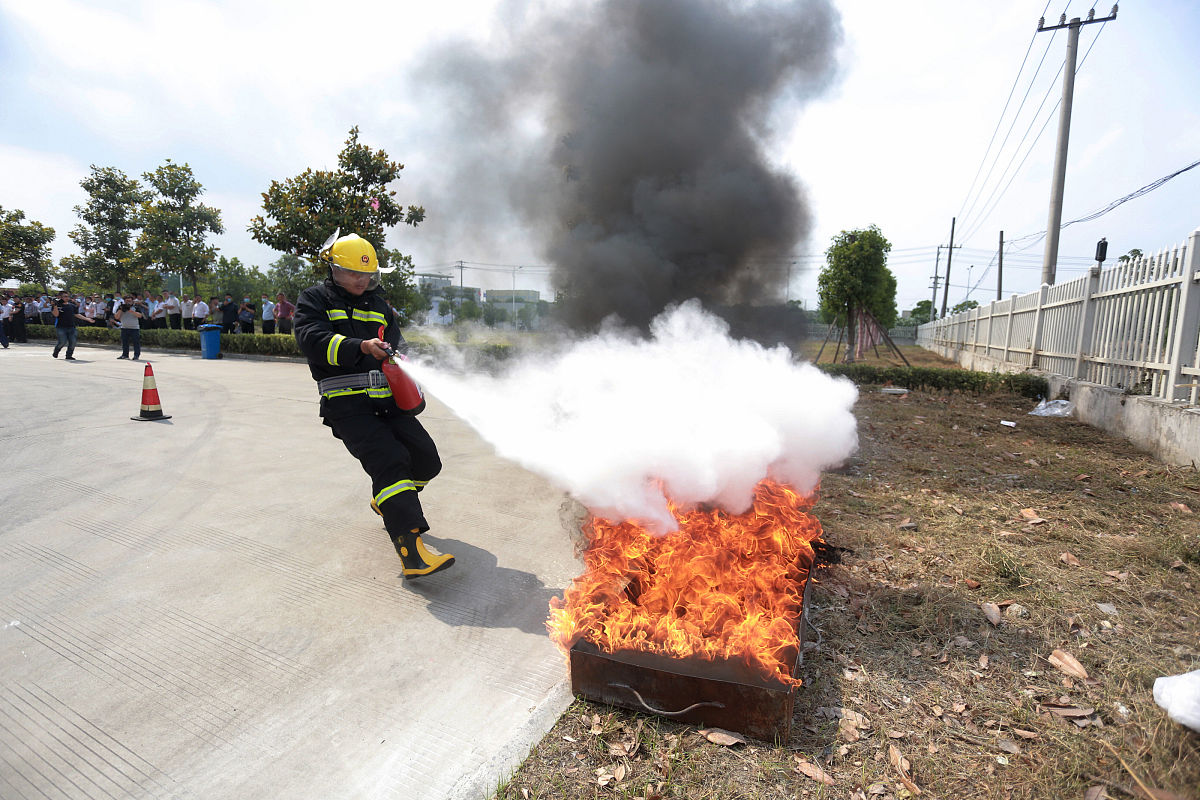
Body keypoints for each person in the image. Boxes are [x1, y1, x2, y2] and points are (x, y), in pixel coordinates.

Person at [294, 230, 449, 579]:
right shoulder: (314, 300)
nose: (361, 280)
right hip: (347, 406)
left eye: (366, 274)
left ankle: (385, 501)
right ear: (334, 269)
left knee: (427, 460)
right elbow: (312, 340)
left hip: (389, 403)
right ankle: (412, 554)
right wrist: (360, 347)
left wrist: (412, 362)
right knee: (390, 463)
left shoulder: (380, 306)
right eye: (353, 273)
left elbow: (398, 345)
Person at [51, 291, 94, 359]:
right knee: (62, 342)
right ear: (60, 297)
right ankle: (56, 351)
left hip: (71, 326)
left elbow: (76, 314)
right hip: (61, 327)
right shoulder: (57, 305)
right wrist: (55, 306)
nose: (67, 298)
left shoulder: (72, 305)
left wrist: (87, 319)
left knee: (73, 342)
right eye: (65, 296)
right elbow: (56, 315)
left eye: (67, 296)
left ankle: (69, 355)